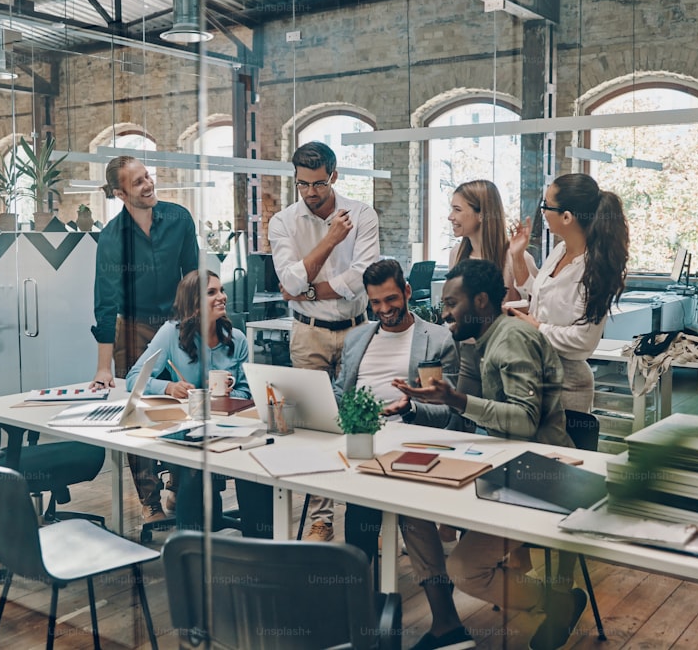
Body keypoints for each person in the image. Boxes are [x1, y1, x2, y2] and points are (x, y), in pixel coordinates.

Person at [395, 259, 582, 650]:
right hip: (503, 467)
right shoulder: (488, 340)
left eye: (452, 302)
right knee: (411, 508)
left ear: (480, 301)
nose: (444, 312)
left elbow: (525, 422)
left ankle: (557, 602)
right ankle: (445, 624)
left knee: (465, 570)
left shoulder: (511, 337)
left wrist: (457, 399)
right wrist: (449, 402)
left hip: (541, 476)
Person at [268, 140, 380, 542]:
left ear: (334, 176)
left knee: (361, 423)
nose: (311, 193)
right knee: (315, 429)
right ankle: (322, 518)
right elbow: (289, 281)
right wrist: (331, 240)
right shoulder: (283, 222)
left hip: (356, 331)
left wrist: (307, 288)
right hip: (308, 334)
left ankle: (368, 516)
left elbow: (360, 279)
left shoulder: (363, 215)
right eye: (302, 184)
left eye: (318, 183)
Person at [89, 155, 198, 533]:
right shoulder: (112, 238)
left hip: (177, 324)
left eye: (147, 177)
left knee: (184, 402)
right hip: (133, 329)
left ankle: (178, 487)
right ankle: (149, 501)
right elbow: (105, 303)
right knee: (138, 412)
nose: (148, 185)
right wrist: (104, 367)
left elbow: (193, 278)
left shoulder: (180, 219)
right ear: (120, 193)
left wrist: (197, 327)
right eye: (137, 182)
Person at [330, 259, 459, 564]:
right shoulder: (357, 338)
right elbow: (339, 393)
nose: (384, 309)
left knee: (393, 505)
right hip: (361, 440)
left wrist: (411, 408)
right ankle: (359, 589)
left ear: (407, 291)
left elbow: (448, 412)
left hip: (411, 442)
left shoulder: (437, 340)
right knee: (359, 508)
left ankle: (425, 582)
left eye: (391, 299)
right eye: (375, 302)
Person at [126, 270, 271, 538]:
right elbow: (134, 379)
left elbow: (246, 391)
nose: (222, 297)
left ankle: (260, 543)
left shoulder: (237, 339)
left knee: (256, 464)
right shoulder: (171, 333)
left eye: (221, 290)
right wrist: (169, 386)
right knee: (194, 467)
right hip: (191, 428)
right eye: (211, 292)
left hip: (230, 427)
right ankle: (189, 547)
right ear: (193, 303)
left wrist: (230, 391)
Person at [508, 172, 629, 414]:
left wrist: (537, 328)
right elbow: (537, 293)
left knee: (559, 451)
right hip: (535, 371)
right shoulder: (560, 250)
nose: (542, 211)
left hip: (568, 384)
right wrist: (517, 256)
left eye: (546, 205)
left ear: (566, 217)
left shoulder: (595, 268)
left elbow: (584, 340)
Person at [447, 179, 537, 301]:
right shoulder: (456, 253)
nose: (450, 217)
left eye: (457, 210)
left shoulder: (517, 258)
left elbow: (536, 306)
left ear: (481, 215)